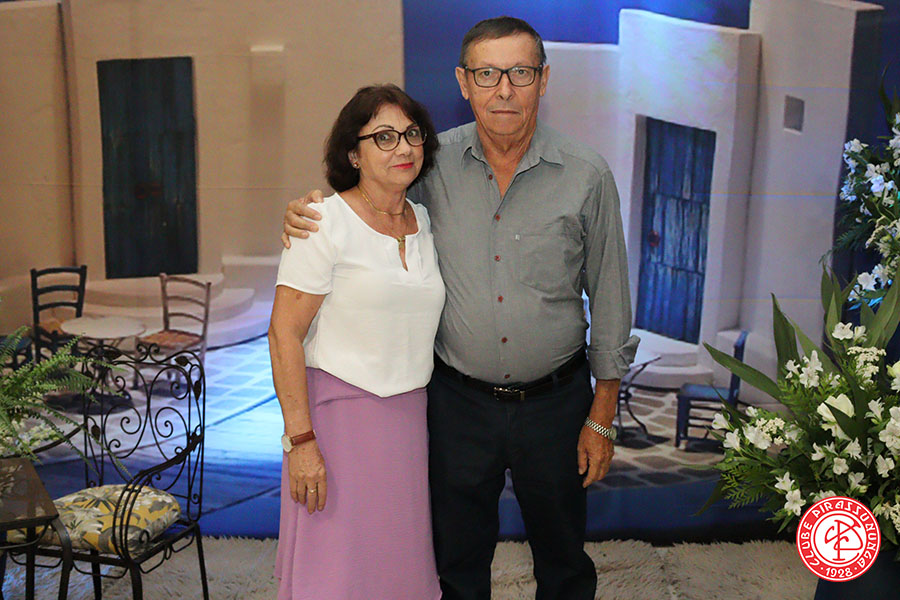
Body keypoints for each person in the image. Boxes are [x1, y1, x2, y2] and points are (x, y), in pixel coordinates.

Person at [282, 17, 639, 600]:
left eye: (520, 72)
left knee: (564, 562)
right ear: (463, 82)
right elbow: (365, 203)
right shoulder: (427, 162)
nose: (504, 90)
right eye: (487, 74)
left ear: (544, 79)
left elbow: (610, 297)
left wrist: (601, 414)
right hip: (456, 406)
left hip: (556, 405)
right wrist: (308, 212)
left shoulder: (587, 174)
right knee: (455, 563)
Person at [268, 83, 444, 600]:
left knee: (398, 565)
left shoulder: (424, 221)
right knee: (338, 571)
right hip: (337, 423)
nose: (403, 148)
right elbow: (283, 334)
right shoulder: (322, 222)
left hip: (408, 420)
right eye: (384, 137)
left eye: (411, 134)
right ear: (353, 153)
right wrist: (300, 441)